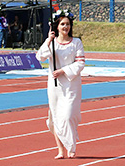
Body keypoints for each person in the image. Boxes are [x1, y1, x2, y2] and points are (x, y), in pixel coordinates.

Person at [36, 9, 85, 159]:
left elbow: (80, 63)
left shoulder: (76, 42)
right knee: (56, 116)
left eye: (68, 24)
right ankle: (61, 150)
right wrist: (48, 40)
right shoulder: (52, 44)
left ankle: (71, 146)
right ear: (57, 26)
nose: (65, 27)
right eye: (62, 24)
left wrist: (63, 70)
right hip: (54, 86)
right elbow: (40, 57)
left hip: (71, 84)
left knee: (68, 115)